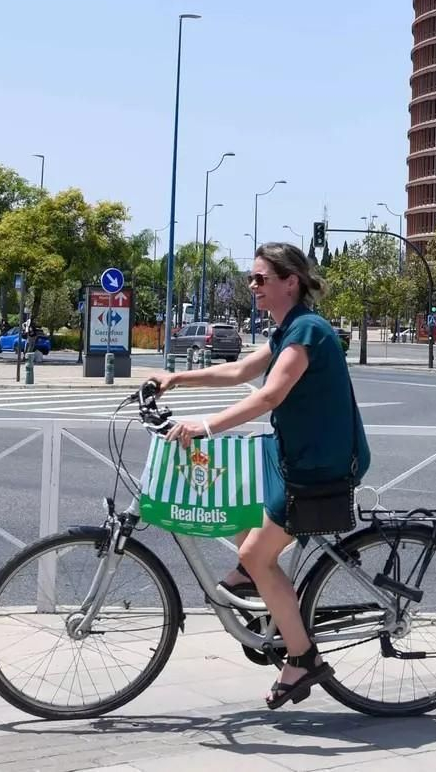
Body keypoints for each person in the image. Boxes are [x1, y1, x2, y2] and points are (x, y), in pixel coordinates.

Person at [149, 242, 370, 710]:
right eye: (251, 279)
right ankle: (253, 586)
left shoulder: (307, 332)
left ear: (290, 282)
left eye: (261, 279)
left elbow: (269, 395)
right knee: (234, 498)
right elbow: (240, 371)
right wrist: (176, 379)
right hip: (291, 454)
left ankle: (303, 656)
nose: (253, 287)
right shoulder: (287, 329)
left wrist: (204, 426)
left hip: (318, 464)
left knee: (257, 553)